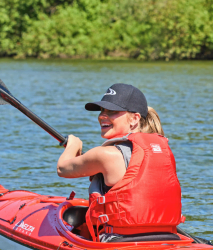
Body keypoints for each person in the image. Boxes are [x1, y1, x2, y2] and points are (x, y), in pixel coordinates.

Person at [57, 84, 184, 242]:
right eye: (101, 111)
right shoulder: (162, 151)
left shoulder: (105, 154)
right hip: (168, 238)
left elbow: (62, 168)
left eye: (112, 111)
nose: (102, 116)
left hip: (120, 241)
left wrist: (73, 145)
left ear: (135, 118)